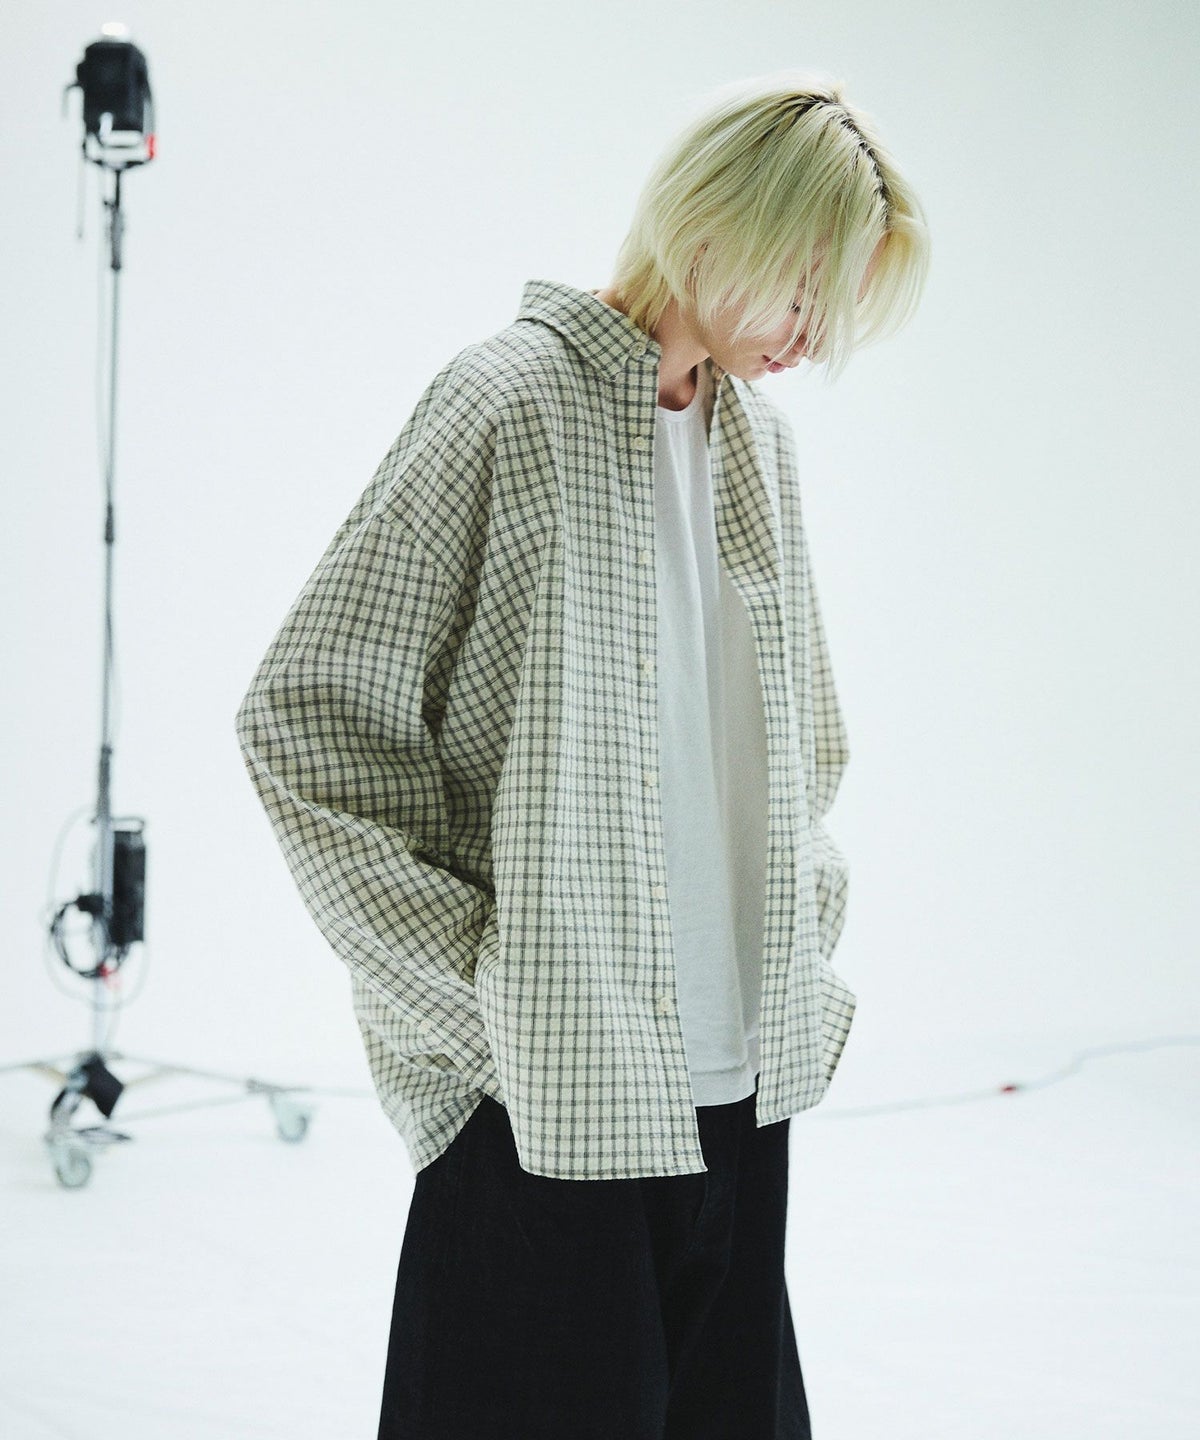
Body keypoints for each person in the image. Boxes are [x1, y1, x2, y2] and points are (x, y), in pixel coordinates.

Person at [234, 68, 929, 1440]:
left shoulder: (760, 452)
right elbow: (306, 719)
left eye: (837, 305)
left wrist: (803, 927)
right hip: (545, 1097)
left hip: (742, 1086)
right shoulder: (505, 404)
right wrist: (485, 999)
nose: (815, 332)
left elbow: (808, 746)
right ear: (716, 226)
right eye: (805, 288)